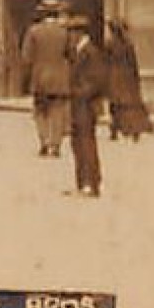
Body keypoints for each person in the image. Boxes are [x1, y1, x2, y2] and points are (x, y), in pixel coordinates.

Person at [22, 0, 74, 157]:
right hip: (60, 77)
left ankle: (44, 141)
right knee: (57, 111)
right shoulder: (64, 32)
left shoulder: (33, 31)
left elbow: (26, 56)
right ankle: (55, 145)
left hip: (40, 77)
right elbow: (71, 54)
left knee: (40, 111)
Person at [67, 16, 107, 197]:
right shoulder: (78, 51)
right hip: (78, 105)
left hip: (86, 105)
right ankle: (82, 182)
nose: (69, 36)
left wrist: (80, 92)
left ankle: (92, 182)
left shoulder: (91, 52)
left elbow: (97, 80)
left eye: (71, 32)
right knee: (77, 143)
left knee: (86, 143)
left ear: (79, 33)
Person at [106, 19, 153, 140]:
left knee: (116, 105)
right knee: (131, 105)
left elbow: (105, 62)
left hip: (114, 77)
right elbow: (133, 63)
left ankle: (115, 129)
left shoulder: (110, 44)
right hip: (127, 78)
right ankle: (133, 129)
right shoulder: (128, 44)